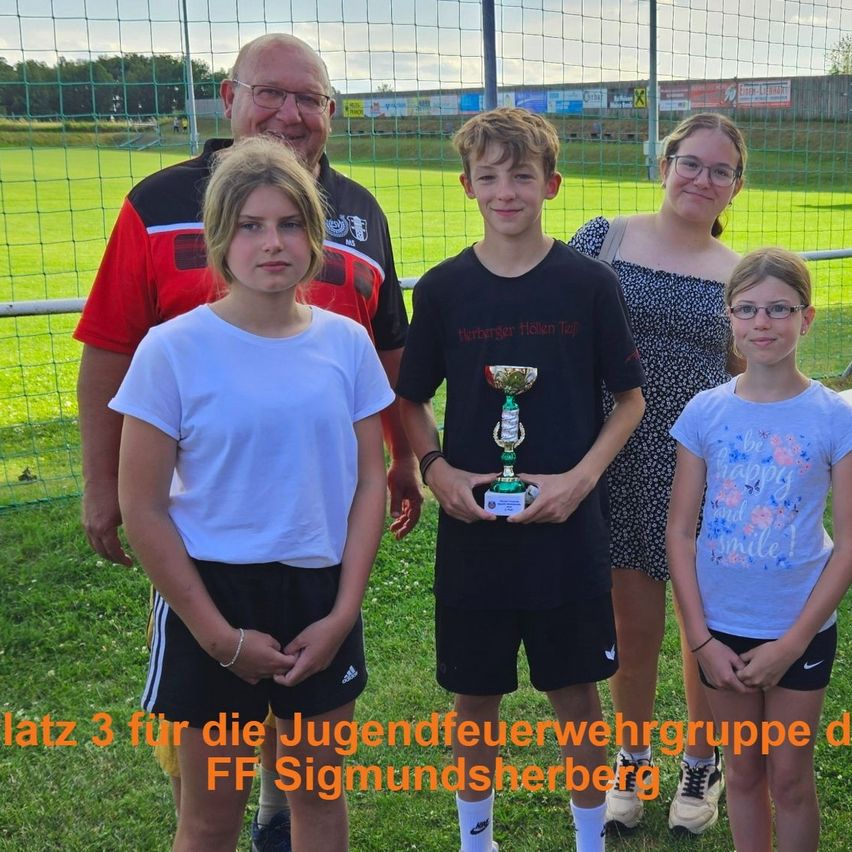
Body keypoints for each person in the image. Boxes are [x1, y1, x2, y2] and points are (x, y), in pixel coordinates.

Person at [74, 33, 421, 849]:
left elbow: (378, 426)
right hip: (211, 588)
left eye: (293, 226)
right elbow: (141, 485)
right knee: (209, 812)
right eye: (270, 92)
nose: (273, 242)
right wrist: (216, 635)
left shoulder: (344, 313)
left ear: (317, 238)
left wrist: (343, 610)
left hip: (318, 584)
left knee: (315, 800)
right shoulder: (175, 340)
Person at [397, 107, 646, 852]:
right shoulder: (442, 289)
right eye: (491, 176)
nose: (507, 190)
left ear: (553, 184)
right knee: (475, 696)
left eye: (523, 175)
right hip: (474, 532)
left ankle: (589, 840)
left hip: (568, 529)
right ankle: (477, 842)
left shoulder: (589, 284)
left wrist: (579, 479)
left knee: (576, 691)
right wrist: (436, 468)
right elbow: (409, 399)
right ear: (467, 185)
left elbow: (630, 400)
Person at [569, 112, 747, 836]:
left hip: (706, 465)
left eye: (720, 170)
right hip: (619, 456)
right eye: (690, 162)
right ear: (664, 163)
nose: (701, 179)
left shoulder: (740, 272)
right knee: (631, 625)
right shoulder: (604, 239)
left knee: (704, 625)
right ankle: (633, 759)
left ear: (736, 187)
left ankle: (701, 766)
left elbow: (749, 371)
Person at [667, 247, 852, 852]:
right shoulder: (705, 412)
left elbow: (848, 542)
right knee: (743, 772)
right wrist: (701, 640)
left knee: (791, 779)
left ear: (808, 318)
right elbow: (680, 533)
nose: (762, 323)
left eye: (779, 308)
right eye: (746, 309)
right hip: (722, 632)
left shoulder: (834, 417)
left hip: (798, 629)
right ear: (729, 317)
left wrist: (794, 641)